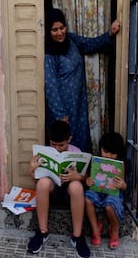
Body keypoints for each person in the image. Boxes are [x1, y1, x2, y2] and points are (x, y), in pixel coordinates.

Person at [44, 8, 121, 152]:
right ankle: (62, 175)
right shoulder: (49, 54)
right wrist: (60, 114)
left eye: (62, 28)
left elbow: (89, 44)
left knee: (79, 141)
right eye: (54, 30)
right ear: (48, 31)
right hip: (62, 108)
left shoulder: (72, 40)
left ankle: (80, 174)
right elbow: (51, 86)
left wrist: (110, 33)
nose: (60, 33)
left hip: (78, 103)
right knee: (62, 145)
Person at [27, 120, 90, 258]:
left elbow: (87, 179)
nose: (57, 148)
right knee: (42, 183)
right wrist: (31, 170)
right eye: (53, 144)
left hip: (70, 194)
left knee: (77, 186)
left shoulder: (76, 152)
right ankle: (42, 231)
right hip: (52, 191)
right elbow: (37, 180)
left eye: (61, 145)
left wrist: (78, 177)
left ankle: (77, 236)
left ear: (69, 139)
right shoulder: (44, 153)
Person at [85, 132, 126, 249]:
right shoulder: (96, 161)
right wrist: (88, 182)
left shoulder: (120, 165)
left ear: (118, 153)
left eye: (113, 153)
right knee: (87, 198)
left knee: (109, 206)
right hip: (98, 191)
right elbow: (89, 179)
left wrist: (123, 185)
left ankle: (114, 230)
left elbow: (124, 186)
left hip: (113, 193)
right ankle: (95, 230)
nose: (108, 156)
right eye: (105, 151)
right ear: (100, 149)